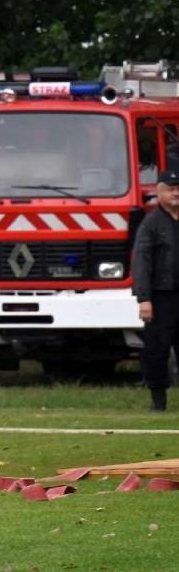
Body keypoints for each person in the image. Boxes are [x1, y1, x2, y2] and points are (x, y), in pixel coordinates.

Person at [133, 168, 179, 411]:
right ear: (159, 191)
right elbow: (141, 261)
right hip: (161, 298)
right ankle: (158, 401)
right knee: (157, 350)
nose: (176, 193)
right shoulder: (151, 223)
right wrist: (144, 298)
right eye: (170, 188)